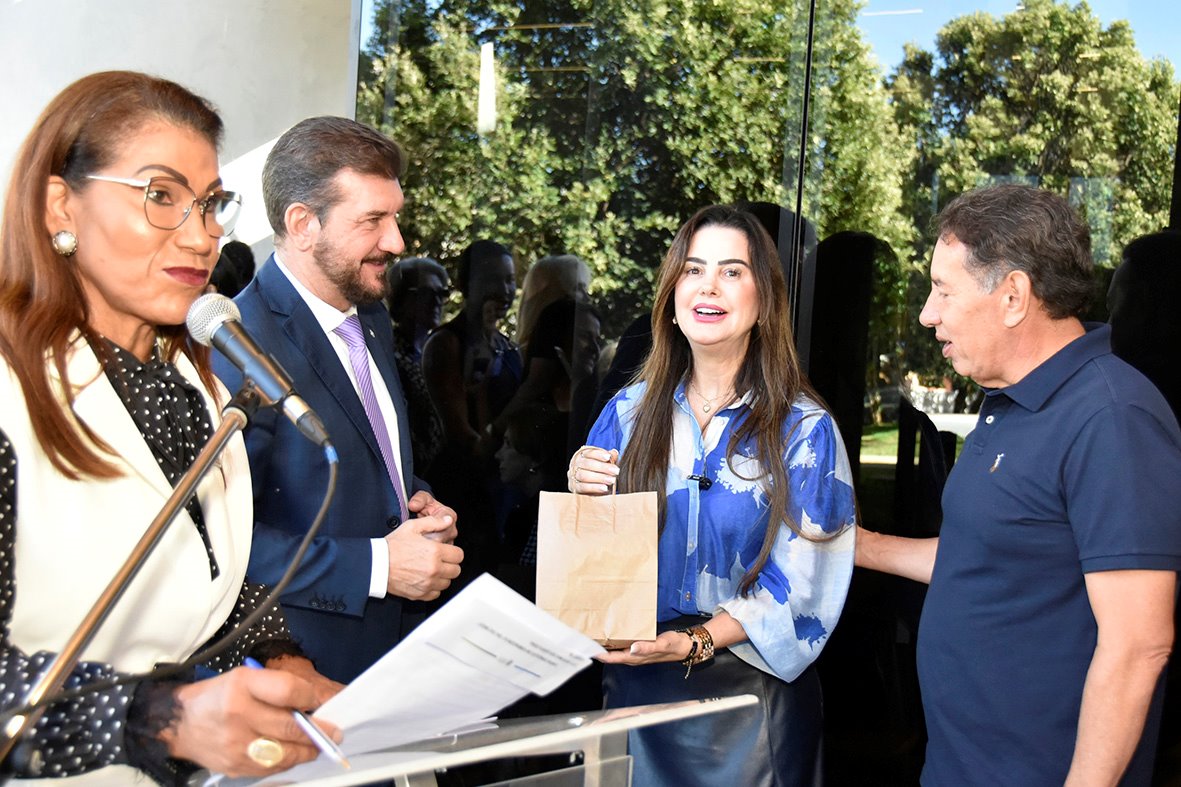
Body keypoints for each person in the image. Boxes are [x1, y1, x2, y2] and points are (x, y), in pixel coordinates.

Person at [0, 70, 341, 783]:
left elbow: (196, 563)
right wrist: (158, 717)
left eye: (211, 204)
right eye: (160, 195)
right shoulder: (9, 390)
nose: (200, 236)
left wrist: (282, 659)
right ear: (61, 205)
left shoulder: (195, 386)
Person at [856, 184, 1181, 786]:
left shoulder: (1112, 417)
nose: (927, 314)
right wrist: (856, 545)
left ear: (1012, 296)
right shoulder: (1008, 399)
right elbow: (988, 557)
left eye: (943, 290)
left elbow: (1139, 646)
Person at [569, 205, 857, 786]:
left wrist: (696, 640)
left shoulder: (805, 430)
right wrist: (584, 497)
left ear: (763, 300)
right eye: (693, 269)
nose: (708, 286)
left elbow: (806, 588)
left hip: (750, 704)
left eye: (731, 271)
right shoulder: (624, 415)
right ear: (672, 295)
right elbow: (593, 575)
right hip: (637, 689)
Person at [212, 117, 463, 683]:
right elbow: (219, 544)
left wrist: (416, 502)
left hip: (392, 657)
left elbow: (362, 460)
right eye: (373, 220)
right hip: (298, 671)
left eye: (394, 216)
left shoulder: (370, 316)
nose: (396, 241)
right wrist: (378, 566)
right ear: (303, 224)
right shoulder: (238, 347)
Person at [384, 256, 450, 471]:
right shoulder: (388, 353)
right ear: (401, 299)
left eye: (442, 294)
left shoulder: (439, 352)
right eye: (427, 293)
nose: (437, 301)